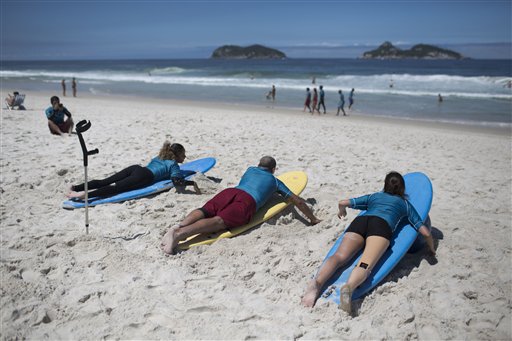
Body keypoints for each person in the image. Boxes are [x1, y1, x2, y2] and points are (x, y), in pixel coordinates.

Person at [301, 171, 435, 312]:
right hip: (381, 227)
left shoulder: (374, 197)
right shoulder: (404, 204)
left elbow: (343, 202)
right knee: (365, 264)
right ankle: (349, 287)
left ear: (385, 185)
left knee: (339, 256)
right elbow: (425, 232)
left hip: (360, 222)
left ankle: (317, 283)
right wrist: (431, 249)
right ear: (402, 188)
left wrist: (342, 211)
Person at [161, 156, 322, 255]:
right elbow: (298, 201)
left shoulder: (250, 170)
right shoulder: (275, 181)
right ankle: (180, 234)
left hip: (231, 192)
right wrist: (313, 218)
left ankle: (177, 227)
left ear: (259, 164)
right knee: (219, 221)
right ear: (273, 169)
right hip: (247, 201)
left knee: (206, 210)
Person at [67, 142, 200, 200]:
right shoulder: (174, 165)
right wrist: (191, 183)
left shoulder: (160, 156)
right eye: (183, 154)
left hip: (136, 168)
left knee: (105, 181)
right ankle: (83, 195)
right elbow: (177, 181)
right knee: (115, 188)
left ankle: (75, 187)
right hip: (144, 177)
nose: (185, 157)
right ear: (176, 155)